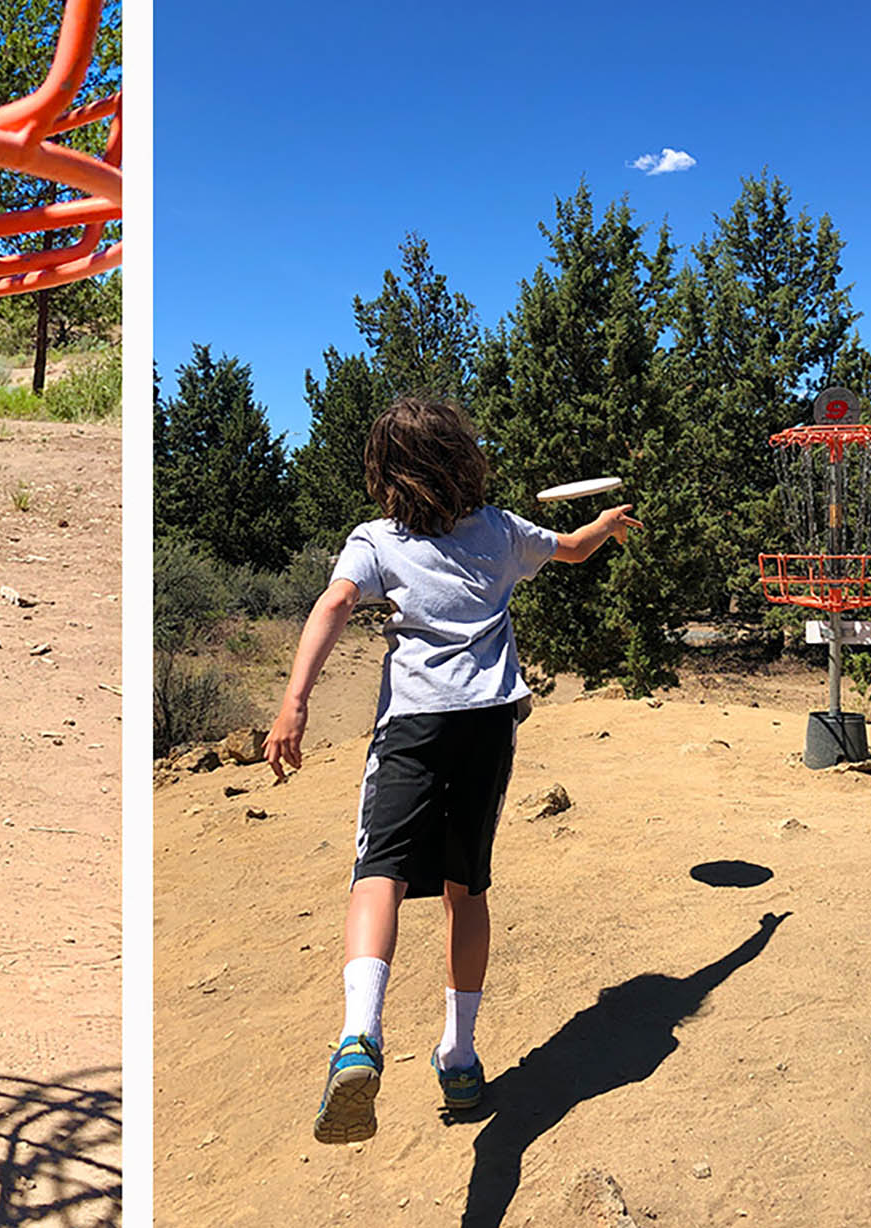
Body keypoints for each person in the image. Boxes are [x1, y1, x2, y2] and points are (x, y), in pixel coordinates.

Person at [264, 396, 641, 1145]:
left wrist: (294, 702)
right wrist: (603, 528)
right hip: (488, 724)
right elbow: (569, 549)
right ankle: (460, 1058)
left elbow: (335, 602)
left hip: (412, 726)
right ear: (465, 459)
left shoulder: (374, 541)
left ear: (386, 472)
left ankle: (359, 1037)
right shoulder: (500, 530)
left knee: (380, 874)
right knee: (467, 891)